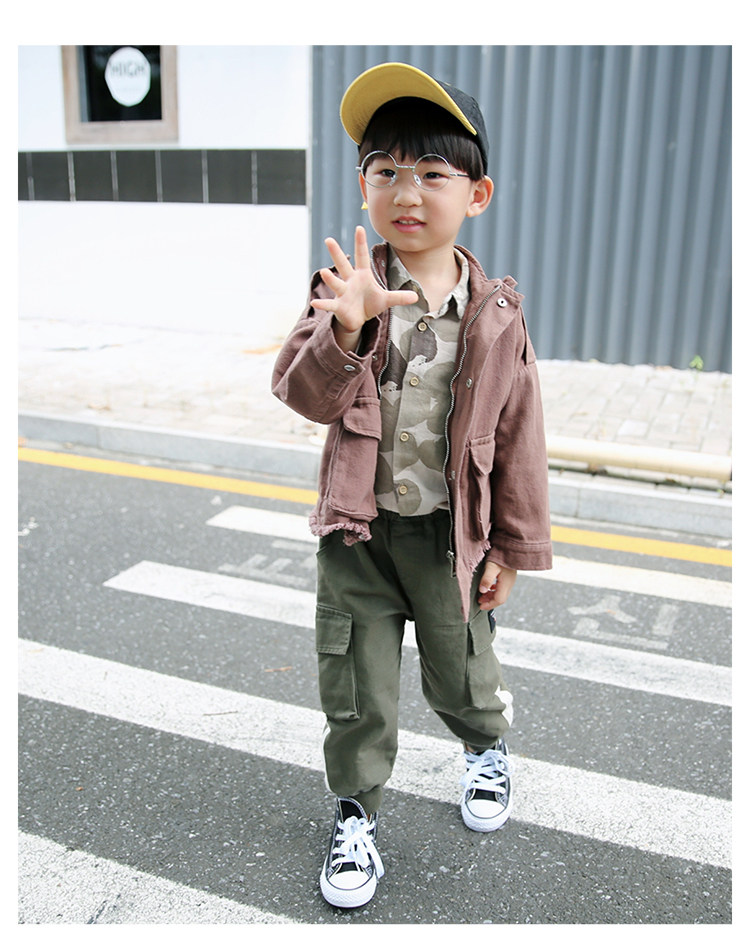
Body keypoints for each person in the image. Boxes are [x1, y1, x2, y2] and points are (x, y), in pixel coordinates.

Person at [272, 62, 552, 909]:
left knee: (463, 670)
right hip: (356, 534)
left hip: (448, 537)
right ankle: (355, 811)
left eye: (432, 173)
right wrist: (347, 328)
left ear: (477, 194)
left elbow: (519, 434)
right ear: (364, 187)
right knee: (356, 686)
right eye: (385, 169)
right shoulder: (344, 292)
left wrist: (511, 545)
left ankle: (484, 748)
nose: (407, 191)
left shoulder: (496, 314)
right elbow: (302, 393)